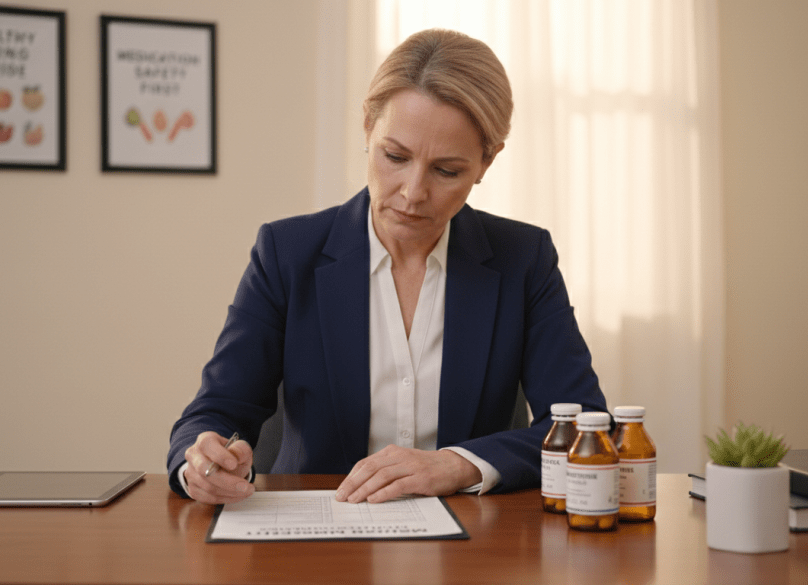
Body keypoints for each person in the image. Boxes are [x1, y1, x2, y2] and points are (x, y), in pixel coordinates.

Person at [167, 28, 607, 505]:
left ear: (487, 161)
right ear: (367, 127)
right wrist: (201, 463)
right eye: (395, 156)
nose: (413, 192)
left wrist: (457, 465)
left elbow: (584, 426)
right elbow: (215, 411)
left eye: (447, 171)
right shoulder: (287, 252)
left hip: (475, 544)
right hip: (313, 537)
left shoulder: (524, 258)